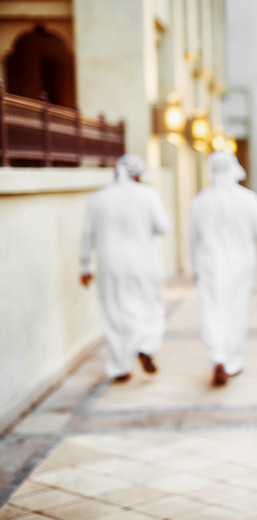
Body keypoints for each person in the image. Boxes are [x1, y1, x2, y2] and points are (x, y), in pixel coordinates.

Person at [80, 153, 171, 382]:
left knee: (114, 312)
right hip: (144, 262)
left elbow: (87, 235)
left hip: (110, 263)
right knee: (149, 305)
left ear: (114, 171)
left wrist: (85, 267)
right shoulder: (148, 195)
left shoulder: (99, 198)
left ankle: (120, 367)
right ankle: (146, 346)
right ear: (139, 174)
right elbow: (163, 227)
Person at [189, 151, 257, 386]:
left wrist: (194, 267)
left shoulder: (200, 200)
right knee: (236, 311)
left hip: (208, 264)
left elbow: (192, 238)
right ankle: (233, 361)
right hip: (241, 264)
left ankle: (217, 358)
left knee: (211, 311)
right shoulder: (247, 198)